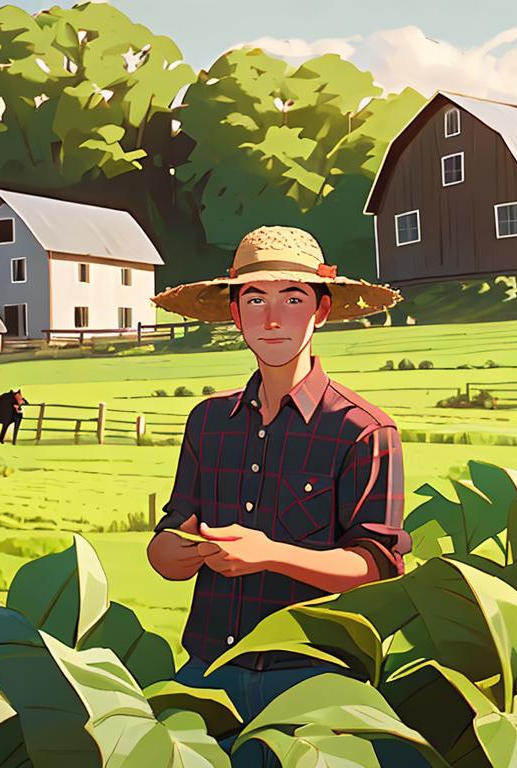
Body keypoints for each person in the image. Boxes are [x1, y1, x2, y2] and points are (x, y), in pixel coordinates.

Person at [146, 225, 410, 767]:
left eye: (292, 299)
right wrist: (178, 551)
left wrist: (267, 554)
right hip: (207, 674)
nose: (272, 318)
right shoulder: (208, 421)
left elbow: (377, 566)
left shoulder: (363, 430)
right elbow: (170, 542)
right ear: (236, 315)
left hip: (312, 678)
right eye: (255, 299)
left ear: (321, 310)